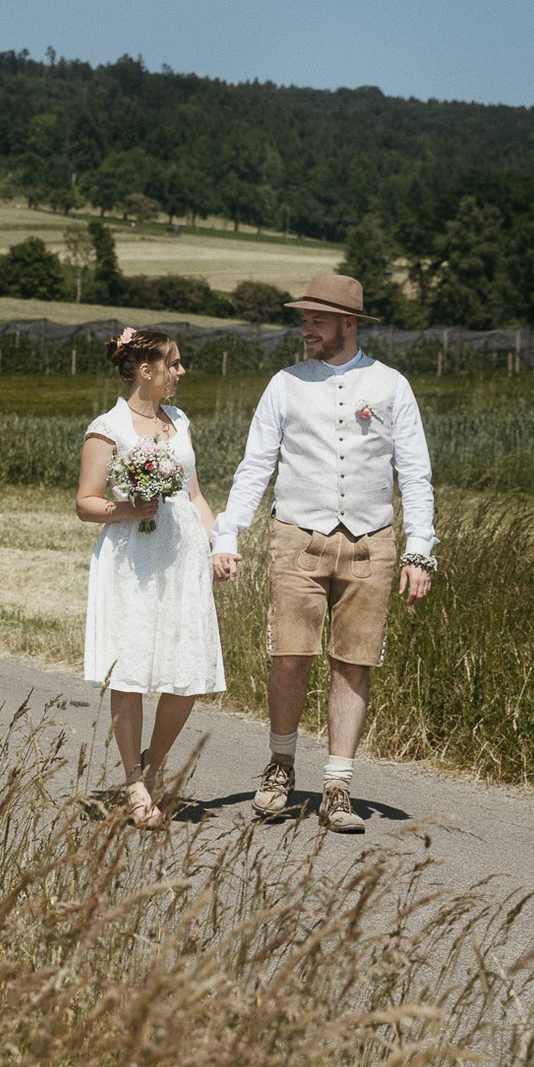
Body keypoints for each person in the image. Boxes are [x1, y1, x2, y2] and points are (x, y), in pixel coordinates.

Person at [210, 274, 436, 831]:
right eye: (304, 318)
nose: (305, 328)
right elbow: (255, 465)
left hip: (371, 542)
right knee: (290, 655)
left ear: (348, 324)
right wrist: (228, 533)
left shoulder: (391, 386)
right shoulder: (284, 384)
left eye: (316, 319)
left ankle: (338, 785)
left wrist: (420, 549)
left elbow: (415, 471)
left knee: (354, 661)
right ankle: (280, 768)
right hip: (297, 536)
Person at [76, 327, 231, 829]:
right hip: (133, 558)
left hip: (182, 555)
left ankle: (153, 764)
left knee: (186, 669)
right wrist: (129, 507)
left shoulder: (178, 420)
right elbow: (86, 503)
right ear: (148, 370)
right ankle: (135, 784)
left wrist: (218, 543)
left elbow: (194, 494)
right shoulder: (109, 428)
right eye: (175, 363)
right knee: (133, 667)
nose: (182, 372)